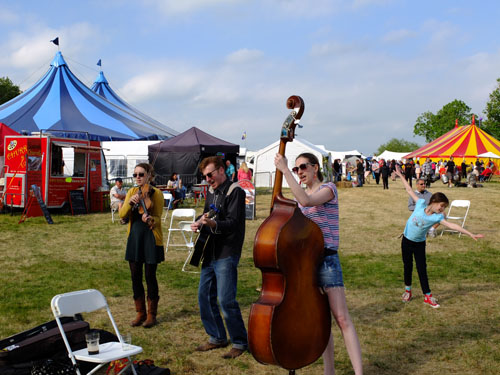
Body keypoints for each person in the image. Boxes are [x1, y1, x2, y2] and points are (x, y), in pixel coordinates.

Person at [274, 152, 363, 375]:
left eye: (303, 167)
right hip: (306, 264)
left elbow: (306, 201)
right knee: (321, 321)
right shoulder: (300, 195)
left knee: (341, 318)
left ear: (315, 168)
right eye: (296, 169)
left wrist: (284, 171)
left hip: (327, 261)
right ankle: (329, 371)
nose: (299, 172)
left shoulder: (329, 189)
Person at [394, 166, 483, 308]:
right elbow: (409, 190)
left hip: (419, 244)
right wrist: (401, 175)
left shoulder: (437, 217)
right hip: (406, 240)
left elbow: (452, 225)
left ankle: (427, 296)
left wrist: (470, 234)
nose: (442, 209)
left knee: (421, 268)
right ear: (434, 201)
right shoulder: (421, 203)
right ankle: (408, 291)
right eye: (441, 206)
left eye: (444, 207)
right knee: (408, 266)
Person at [191, 156, 248, 359]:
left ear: (222, 170)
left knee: (225, 299)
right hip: (210, 250)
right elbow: (207, 213)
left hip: (226, 251)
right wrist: (199, 221)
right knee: (204, 296)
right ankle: (217, 337)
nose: (208, 179)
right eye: (205, 176)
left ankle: (240, 341)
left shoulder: (236, 192)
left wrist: (213, 224)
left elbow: (233, 222)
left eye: (210, 174)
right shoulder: (211, 191)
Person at [119, 163, 164, 328]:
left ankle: (152, 314)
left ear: (149, 176)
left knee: (150, 276)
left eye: (141, 174)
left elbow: (159, 217)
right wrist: (130, 203)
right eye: (135, 174)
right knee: (135, 276)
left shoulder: (157, 194)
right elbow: (122, 214)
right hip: (135, 238)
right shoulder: (131, 192)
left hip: (151, 238)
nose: (138, 177)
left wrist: (151, 220)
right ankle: (140, 312)